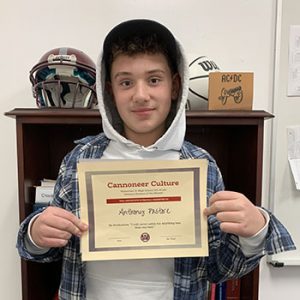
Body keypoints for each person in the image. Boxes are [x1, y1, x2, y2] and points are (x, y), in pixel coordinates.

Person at [17, 19, 295, 300]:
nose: (141, 95)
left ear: (175, 86)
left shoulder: (201, 166)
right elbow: (41, 250)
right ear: (109, 90)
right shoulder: (79, 160)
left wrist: (255, 231)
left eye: (153, 80)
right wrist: (37, 233)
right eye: (126, 82)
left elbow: (219, 268)